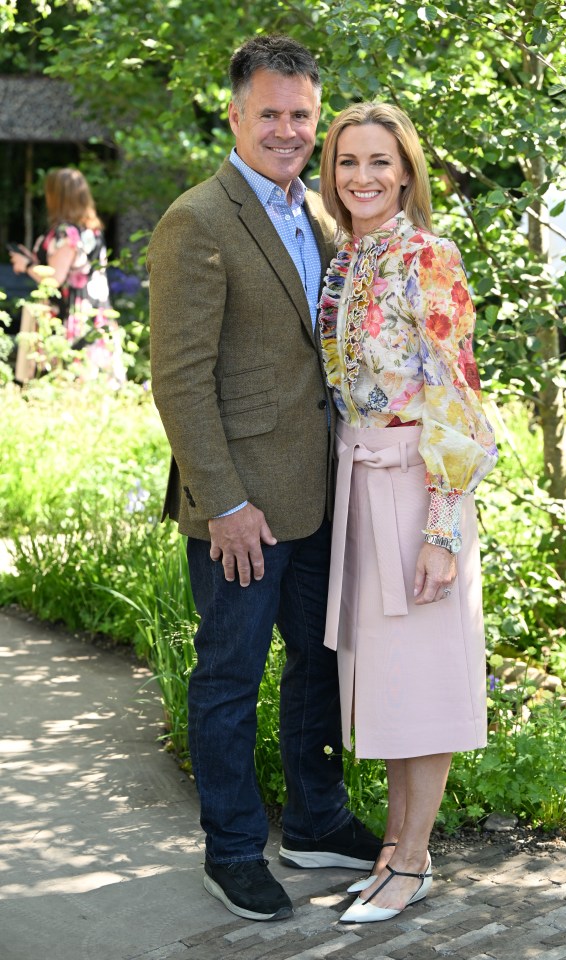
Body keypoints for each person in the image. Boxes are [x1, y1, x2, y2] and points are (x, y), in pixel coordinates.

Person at [146, 36, 381, 924]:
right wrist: (226, 503)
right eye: (270, 113)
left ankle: (317, 819)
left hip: (320, 492)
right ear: (236, 115)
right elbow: (179, 379)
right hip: (241, 507)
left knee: (318, 666)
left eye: (301, 116)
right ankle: (235, 848)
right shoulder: (196, 220)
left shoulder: (318, 216)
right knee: (229, 678)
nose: (287, 129)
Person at [317, 102, 498, 924]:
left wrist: (441, 530)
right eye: (348, 161)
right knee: (388, 685)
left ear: (407, 171)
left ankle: (415, 861)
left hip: (418, 487)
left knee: (423, 682)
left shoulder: (430, 255)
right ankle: (393, 848)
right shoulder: (343, 259)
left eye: (379, 162)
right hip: (360, 483)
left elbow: (455, 395)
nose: (363, 177)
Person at [9, 167, 123, 384]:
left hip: (70, 313)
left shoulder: (66, 232)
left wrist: (25, 266)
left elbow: (54, 279)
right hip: (93, 311)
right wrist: (33, 261)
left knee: (66, 378)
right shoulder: (91, 230)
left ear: (58, 196)